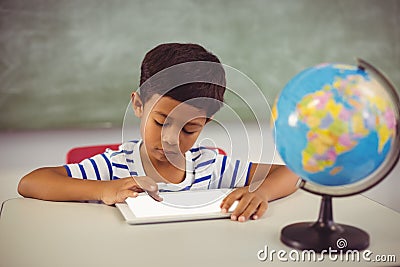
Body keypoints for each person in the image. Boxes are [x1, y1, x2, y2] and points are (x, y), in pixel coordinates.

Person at [18, 43, 299, 222]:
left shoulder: (211, 166)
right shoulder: (114, 166)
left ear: (206, 123)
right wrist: (102, 189)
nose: (170, 139)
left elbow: (292, 172)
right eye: (161, 122)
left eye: (190, 129)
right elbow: (31, 182)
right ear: (138, 105)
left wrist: (261, 193)